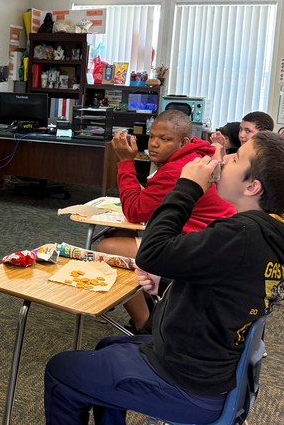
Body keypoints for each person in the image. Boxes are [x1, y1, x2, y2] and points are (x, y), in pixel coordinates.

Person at [6, 132, 284, 425]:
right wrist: (170, 287)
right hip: (213, 369)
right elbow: (225, 293)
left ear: (252, 186)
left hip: (190, 386)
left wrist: (187, 185)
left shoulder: (239, 234)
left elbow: (152, 250)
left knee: (63, 370)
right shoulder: (272, 235)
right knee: (107, 345)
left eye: (237, 158)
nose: (223, 159)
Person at [97, 109, 235, 329]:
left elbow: (134, 210)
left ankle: (144, 323)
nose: (154, 144)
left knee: (109, 246)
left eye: (165, 139)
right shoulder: (196, 155)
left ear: (184, 141)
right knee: (119, 234)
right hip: (214, 241)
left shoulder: (175, 169)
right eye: (152, 136)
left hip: (199, 249)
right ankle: (150, 304)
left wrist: (125, 162)